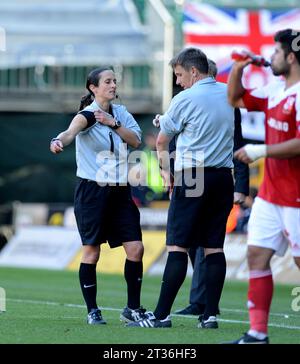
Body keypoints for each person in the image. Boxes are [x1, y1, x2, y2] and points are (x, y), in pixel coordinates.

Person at [127, 47, 235, 329]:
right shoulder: (229, 94)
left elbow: (162, 142)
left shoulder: (184, 98)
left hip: (192, 177)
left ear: (194, 71)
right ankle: (210, 315)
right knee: (214, 248)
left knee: (177, 246)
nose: (178, 81)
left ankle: (161, 315)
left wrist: (166, 172)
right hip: (223, 177)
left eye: (179, 74)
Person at [50, 67, 147, 325]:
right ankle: (92, 310)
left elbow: (136, 141)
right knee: (92, 251)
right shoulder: (87, 114)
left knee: (136, 248)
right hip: (92, 191)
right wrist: (58, 140)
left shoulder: (121, 113)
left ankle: (132, 308)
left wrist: (112, 123)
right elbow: (70, 132)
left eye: (115, 80)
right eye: (108, 81)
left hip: (120, 191)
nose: (113, 85)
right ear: (93, 87)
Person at [227, 28, 300, 344]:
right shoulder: (275, 88)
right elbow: (235, 98)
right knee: (257, 256)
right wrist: (238, 70)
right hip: (271, 195)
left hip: (297, 197)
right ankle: (258, 333)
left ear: (291, 57)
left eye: (276, 52)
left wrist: (261, 150)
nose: (271, 57)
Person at [174, 60, 249, 319]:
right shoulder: (196, 100)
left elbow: (237, 143)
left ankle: (205, 303)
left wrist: (241, 186)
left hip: (206, 178)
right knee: (201, 243)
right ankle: (202, 302)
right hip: (199, 177)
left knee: (204, 243)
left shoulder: (222, 102)